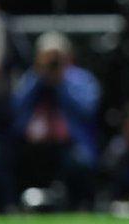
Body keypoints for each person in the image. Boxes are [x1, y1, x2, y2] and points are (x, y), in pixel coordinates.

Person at [9, 31, 101, 210]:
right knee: (9, 158)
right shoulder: (31, 78)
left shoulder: (81, 80)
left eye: (56, 58)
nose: (51, 63)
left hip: (70, 143)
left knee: (80, 163)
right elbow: (16, 107)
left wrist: (60, 82)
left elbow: (87, 110)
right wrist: (39, 77)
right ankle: (16, 206)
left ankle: (80, 207)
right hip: (34, 145)